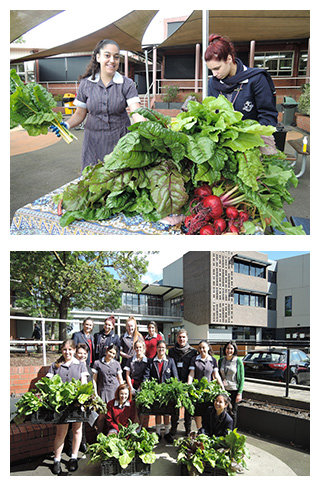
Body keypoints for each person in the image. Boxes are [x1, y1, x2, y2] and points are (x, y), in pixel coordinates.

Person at [52, 39, 144, 170]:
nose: (112, 60)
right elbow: (80, 113)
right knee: (93, 181)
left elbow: (137, 112)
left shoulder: (127, 84)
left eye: (116, 57)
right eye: (107, 55)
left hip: (120, 141)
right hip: (93, 143)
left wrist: (144, 127)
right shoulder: (86, 84)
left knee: (118, 181)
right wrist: (66, 125)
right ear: (98, 57)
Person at [205, 34, 278, 137]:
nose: (214, 74)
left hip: (253, 140)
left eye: (217, 68)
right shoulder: (213, 83)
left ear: (229, 59)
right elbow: (212, 115)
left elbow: (268, 116)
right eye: (211, 70)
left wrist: (251, 138)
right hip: (223, 141)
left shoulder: (257, 79)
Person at [46, 339, 90, 474]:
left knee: (77, 431)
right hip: (61, 404)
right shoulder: (55, 365)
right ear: (61, 350)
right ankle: (57, 460)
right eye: (65, 349)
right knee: (61, 433)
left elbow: (83, 384)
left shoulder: (80, 365)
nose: (67, 352)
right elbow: (48, 384)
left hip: (76, 404)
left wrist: (81, 398)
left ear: (74, 350)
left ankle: (73, 458)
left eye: (70, 349)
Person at [64, 343, 94, 456]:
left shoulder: (89, 368)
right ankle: (71, 447)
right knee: (72, 423)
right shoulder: (73, 367)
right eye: (80, 353)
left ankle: (83, 444)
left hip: (85, 400)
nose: (82, 356)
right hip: (73, 399)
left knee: (83, 422)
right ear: (76, 353)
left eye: (85, 354)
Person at [187, 340, 225, 429]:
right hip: (198, 391)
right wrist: (189, 385)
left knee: (208, 411)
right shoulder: (194, 359)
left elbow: (216, 375)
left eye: (204, 347)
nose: (202, 349)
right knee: (198, 412)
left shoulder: (213, 360)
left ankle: (207, 430)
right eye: (200, 348)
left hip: (209, 391)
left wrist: (222, 387)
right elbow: (191, 373)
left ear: (208, 348)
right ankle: (199, 430)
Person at [148, 340, 179, 443]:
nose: (161, 349)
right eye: (159, 347)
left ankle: (166, 432)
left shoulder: (170, 361)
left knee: (167, 412)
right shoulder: (152, 361)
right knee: (157, 412)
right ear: (156, 348)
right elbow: (147, 376)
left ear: (166, 349)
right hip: (156, 392)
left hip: (167, 392)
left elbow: (175, 376)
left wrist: (176, 388)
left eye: (163, 348)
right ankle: (157, 432)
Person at [168, 329, 197, 436]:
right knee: (175, 408)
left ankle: (188, 429)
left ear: (187, 338)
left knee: (188, 408)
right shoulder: (171, 351)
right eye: (180, 337)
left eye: (183, 337)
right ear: (177, 338)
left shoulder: (192, 352)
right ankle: (174, 428)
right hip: (176, 383)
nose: (181, 339)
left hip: (188, 383)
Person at [218, 341, 245, 428]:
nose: (229, 350)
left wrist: (240, 393)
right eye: (227, 348)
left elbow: (242, 378)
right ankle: (223, 430)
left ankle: (232, 431)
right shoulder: (221, 360)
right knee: (222, 411)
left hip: (234, 390)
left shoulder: (238, 361)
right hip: (223, 390)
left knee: (233, 412)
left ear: (234, 350)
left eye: (231, 348)